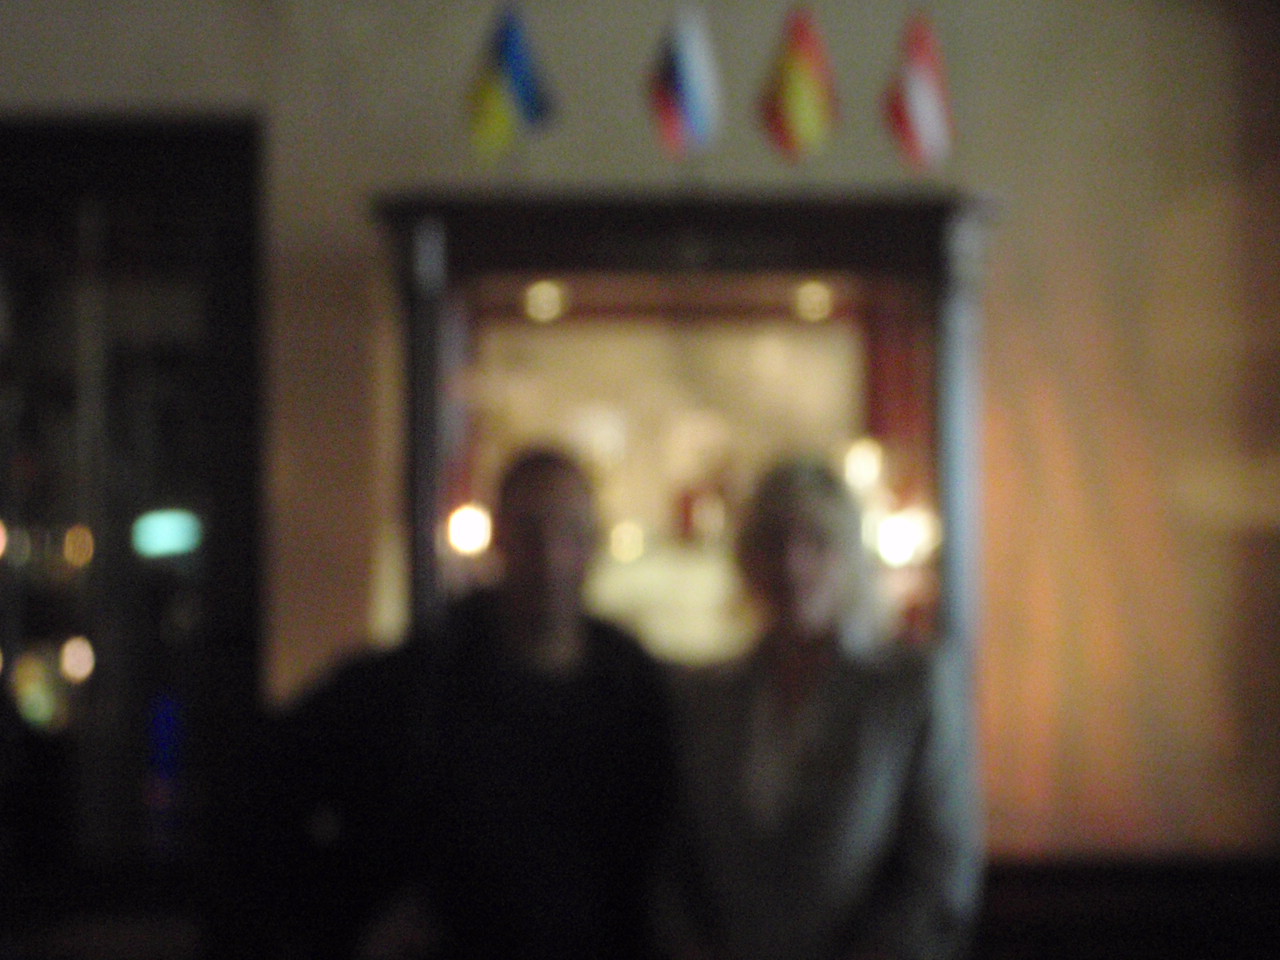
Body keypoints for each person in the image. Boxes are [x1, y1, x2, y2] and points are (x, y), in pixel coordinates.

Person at [222, 447, 679, 960]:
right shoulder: (413, 684)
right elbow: (262, 789)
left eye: (569, 532)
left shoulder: (636, 692)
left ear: (593, 544)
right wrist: (345, 921)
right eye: (530, 530)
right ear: (500, 538)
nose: (550, 557)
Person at [665, 457, 983, 960]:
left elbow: (939, 881)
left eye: (816, 541)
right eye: (772, 543)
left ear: (850, 558)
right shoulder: (708, 697)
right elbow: (674, 864)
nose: (791, 565)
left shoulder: (908, 688)